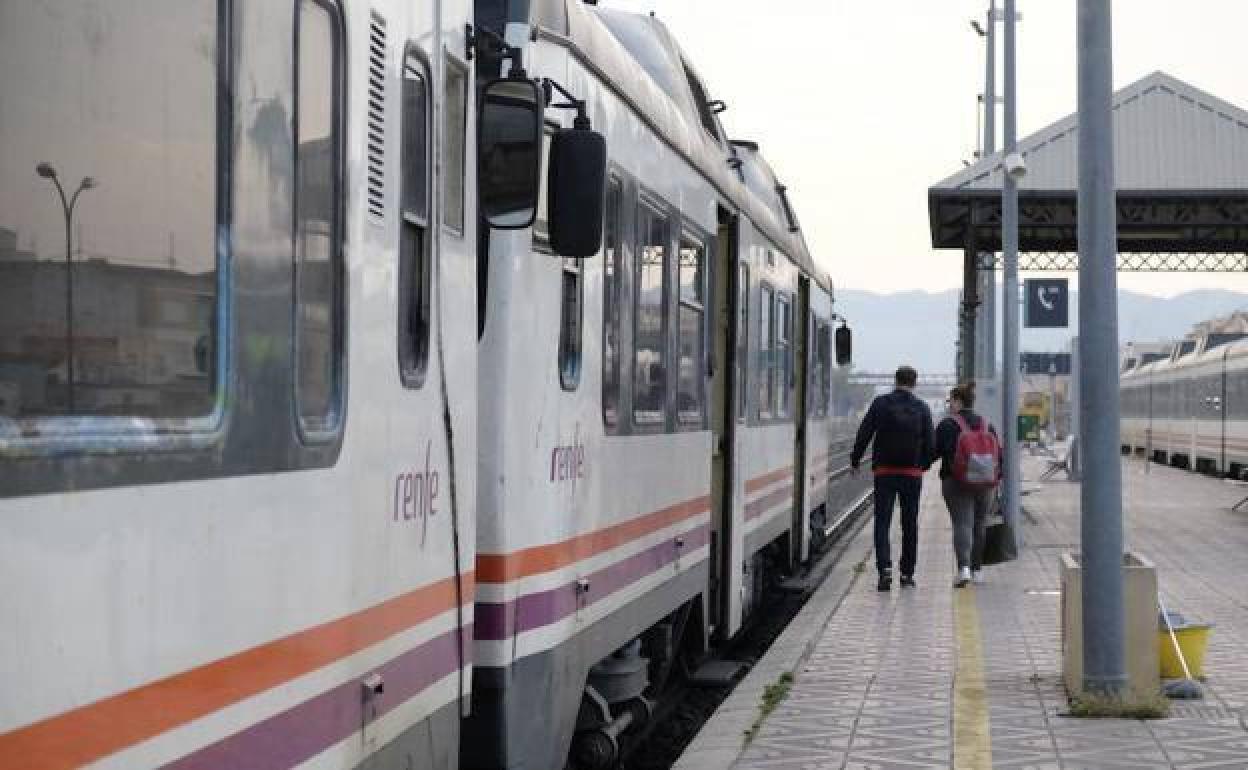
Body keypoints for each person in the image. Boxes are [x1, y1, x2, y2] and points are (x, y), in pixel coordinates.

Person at [850, 365, 934, 591]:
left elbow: (864, 432)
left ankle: (884, 571)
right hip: (912, 474)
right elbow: (931, 443)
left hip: (885, 472)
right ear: (914, 383)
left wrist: (855, 459)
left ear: (895, 381)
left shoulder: (881, 404)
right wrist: (922, 466)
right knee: (910, 525)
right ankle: (907, 575)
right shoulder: (922, 408)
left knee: (882, 522)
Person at [935, 382, 1002, 587]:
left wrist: (919, 465)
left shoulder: (948, 425)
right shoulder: (987, 424)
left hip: (956, 482)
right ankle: (978, 570)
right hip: (986, 483)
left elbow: (934, 451)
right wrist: (998, 478)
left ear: (958, 401)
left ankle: (963, 569)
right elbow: (999, 453)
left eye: (950, 401)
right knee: (979, 524)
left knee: (962, 523)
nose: (949, 405)